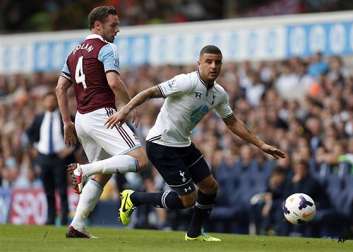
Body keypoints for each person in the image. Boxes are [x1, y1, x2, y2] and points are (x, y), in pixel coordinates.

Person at [106, 45, 286, 241]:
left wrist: (261, 145)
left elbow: (232, 122)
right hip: (161, 145)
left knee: (210, 187)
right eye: (208, 61)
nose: (213, 66)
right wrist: (125, 109)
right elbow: (150, 92)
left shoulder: (219, 93)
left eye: (217, 62)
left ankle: (194, 234)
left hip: (183, 144)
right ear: (198, 63)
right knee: (188, 199)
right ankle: (133, 198)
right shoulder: (186, 82)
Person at [55, 6, 148, 238]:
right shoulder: (106, 48)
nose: (117, 30)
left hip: (82, 119)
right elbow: (114, 82)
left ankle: (77, 225)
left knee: (103, 173)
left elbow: (60, 88)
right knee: (139, 159)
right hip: (102, 115)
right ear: (97, 25)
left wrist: (67, 121)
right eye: (112, 25)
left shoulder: (74, 52)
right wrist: (128, 106)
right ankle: (82, 170)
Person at [26, 91, 74, 225]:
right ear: (43, 102)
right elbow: (29, 134)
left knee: (62, 189)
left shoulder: (65, 117)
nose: (50, 103)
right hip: (44, 157)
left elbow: (78, 134)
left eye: (53, 100)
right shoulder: (39, 118)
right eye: (47, 100)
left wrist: (69, 149)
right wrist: (34, 148)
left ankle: (64, 218)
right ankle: (50, 218)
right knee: (48, 190)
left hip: (60, 157)